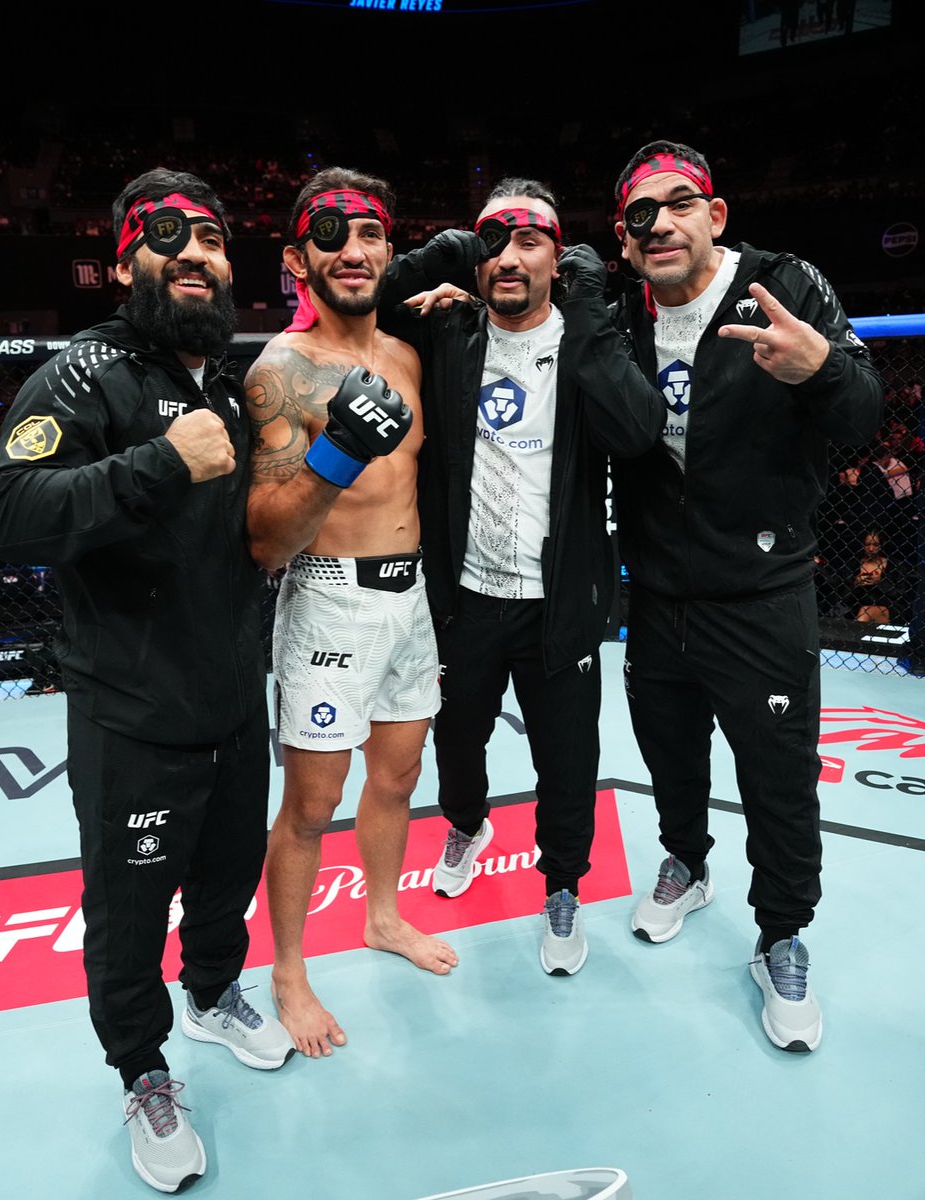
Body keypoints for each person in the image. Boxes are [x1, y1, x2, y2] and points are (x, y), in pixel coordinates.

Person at [0, 168, 293, 1193]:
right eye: (168, 235)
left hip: (231, 697)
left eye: (211, 237)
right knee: (125, 912)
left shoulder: (233, 381)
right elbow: (8, 512)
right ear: (125, 262)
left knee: (224, 882)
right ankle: (142, 1068)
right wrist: (157, 464)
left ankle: (210, 994)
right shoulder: (84, 374)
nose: (198, 251)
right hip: (131, 714)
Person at [606, 141, 883, 1052]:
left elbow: (861, 412)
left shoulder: (785, 284)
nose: (662, 225)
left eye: (678, 204)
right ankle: (686, 863)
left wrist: (823, 370)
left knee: (777, 777)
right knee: (669, 754)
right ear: (625, 237)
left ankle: (782, 935)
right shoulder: (619, 314)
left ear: (715, 215)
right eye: (641, 215)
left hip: (760, 593)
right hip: (654, 593)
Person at [379, 179, 665, 976]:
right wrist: (448, 255)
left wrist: (592, 306)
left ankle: (563, 884)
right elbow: (363, 291)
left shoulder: (589, 340)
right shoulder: (446, 331)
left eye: (528, 241)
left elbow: (640, 432)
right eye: (492, 242)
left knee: (566, 760)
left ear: (556, 256)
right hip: (466, 599)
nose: (508, 257)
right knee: (458, 741)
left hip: (559, 605)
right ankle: (467, 824)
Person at [244, 166, 458, 1061]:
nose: (355, 249)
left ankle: (380, 916)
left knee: (400, 778)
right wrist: (337, 447)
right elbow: (264, 538)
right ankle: (288, 972)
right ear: (298, 258)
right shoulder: (284, 370)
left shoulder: (407, 353)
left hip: (412, 599)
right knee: (310, 804)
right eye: (330, 235)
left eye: (370, 232)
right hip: (330, 598)